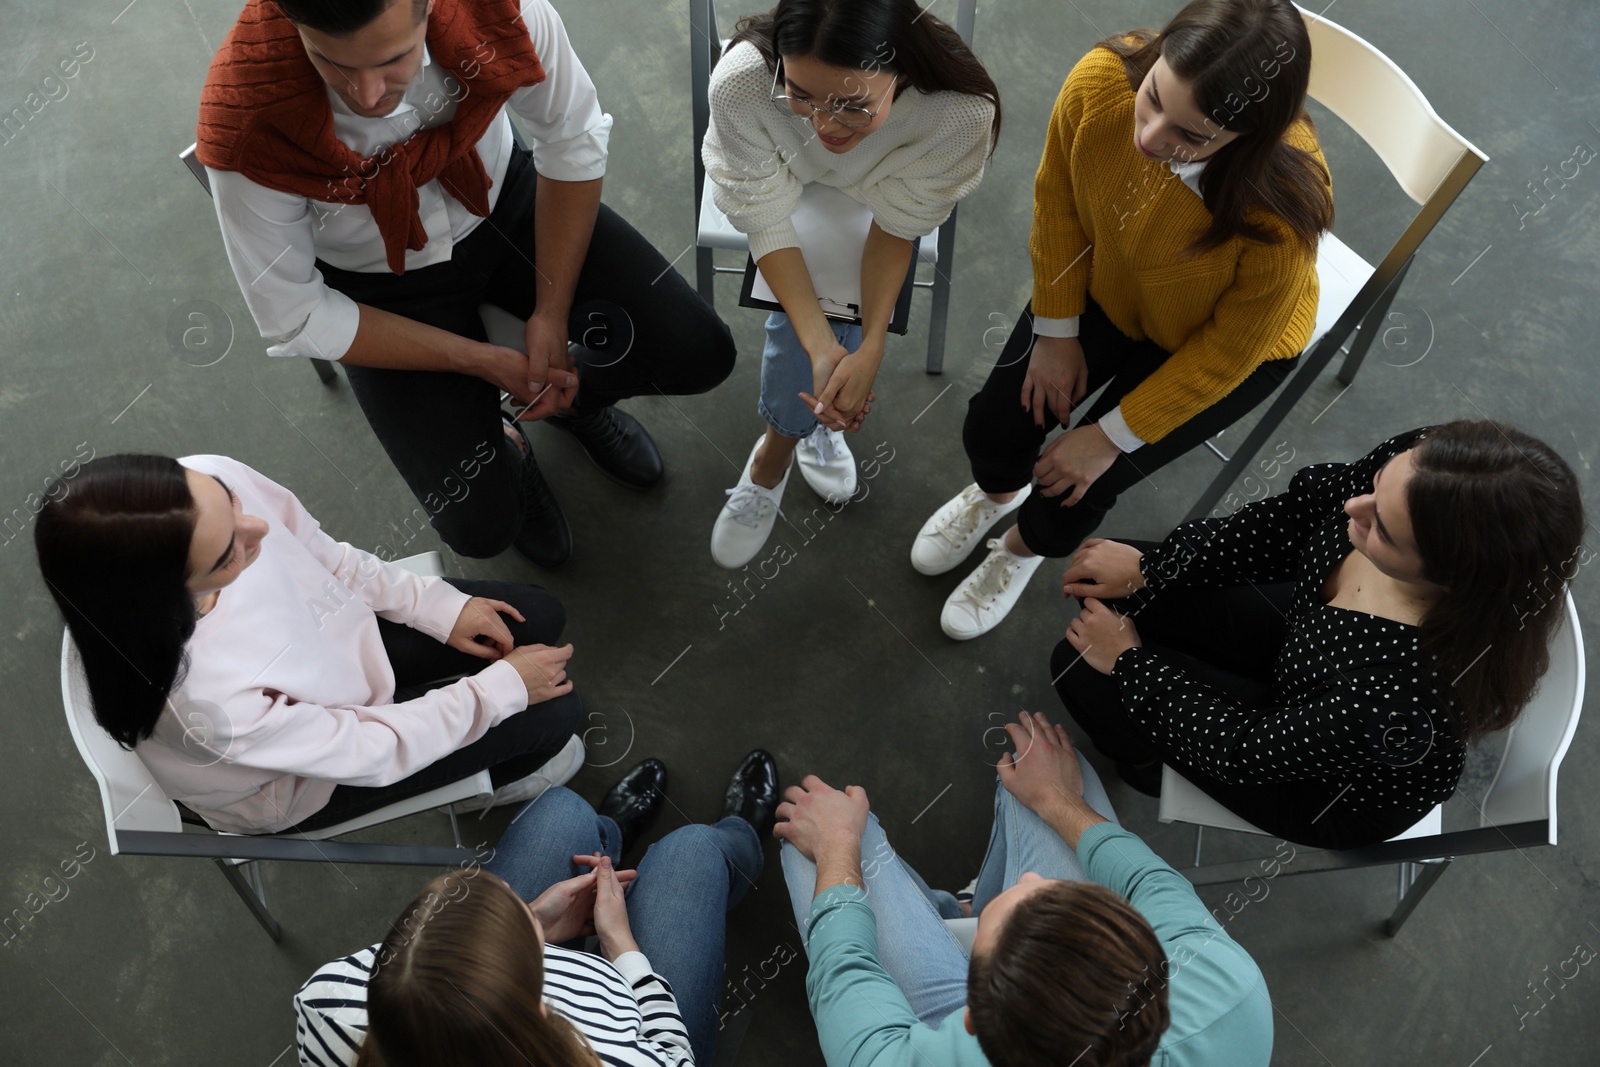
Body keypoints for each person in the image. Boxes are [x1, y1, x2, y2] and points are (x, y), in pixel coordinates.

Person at [195, 0, 737, 570]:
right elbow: (297, 312)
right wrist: (479, 361)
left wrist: (551, 313)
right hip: (378, 285)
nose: (368, 94)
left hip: (510, 204)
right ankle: (515, 447)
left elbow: (569, 137)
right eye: (333, 64)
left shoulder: (502, 10)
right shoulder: (244, 117)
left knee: (698, 353)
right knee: (481, 529)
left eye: (394, 58)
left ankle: (573, 400)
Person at [910, 0, 1333, 639]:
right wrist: (1055, 331)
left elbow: (1227, 352)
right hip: (1112, 287)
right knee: (998, 424)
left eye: (1191, 137)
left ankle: (1020, 550)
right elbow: (1058, 201)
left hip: (1221, 349)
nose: (1150, 137)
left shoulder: (1282, 211)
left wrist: (1108, 435)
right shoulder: (1102, 80)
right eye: (1155, 96)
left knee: (1075, 487)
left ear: (1249, 139)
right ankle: (997, 496)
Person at [1051, 422, 1585, 849]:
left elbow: (1244, 751)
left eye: (1383, 528)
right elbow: (1292, 521)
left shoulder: (1405, 698)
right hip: (1309, 652)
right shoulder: (1425, 468)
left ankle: (1143, 763)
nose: (1355, 508)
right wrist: (1157, 565)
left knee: (1081, 670)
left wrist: (1130, 663)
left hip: (1314, 785)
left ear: (1446, 580)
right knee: (1122, 583)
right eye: (1378, 486)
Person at [35, 453, 581, 834]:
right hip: (301, 783)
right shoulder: (203, 705)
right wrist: (495, 693)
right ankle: (477, 793)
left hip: (335, 647)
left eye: (231, 503)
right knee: (557, 718)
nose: (259, 531)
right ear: (163, 593)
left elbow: (327, 556)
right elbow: (371, 750)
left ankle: (465, 740)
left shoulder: (202, 478)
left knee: (540, 615)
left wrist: (431, 605)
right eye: (229, 554)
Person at [774, 711, 1271, 1067]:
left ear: (972, 1020)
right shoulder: (1226, 990)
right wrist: (1056, 798)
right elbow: (1149, 882)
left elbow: (843, 975)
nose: (1034, 880)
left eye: (1012, 916)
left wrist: (838, 846)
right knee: (1047, 763)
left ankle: (954, 918)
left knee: (808, 851)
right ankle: (968, 913)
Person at [702, 0, 1000, 568]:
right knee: (818, 329)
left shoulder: (957, 112)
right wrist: (825, 346)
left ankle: (778, 448)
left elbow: (898, 226)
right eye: (802, 94)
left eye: (853, 107)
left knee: (838, 320)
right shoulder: (744, 82)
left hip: (881, 191)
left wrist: (872, 345)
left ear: (904, 71)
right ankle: (788, 442)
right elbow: (764, 217)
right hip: (781, 180)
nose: (824, 125)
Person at [293, 751, 780, 1066]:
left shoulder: (330, 1003)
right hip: (641, 1014)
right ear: (539, 1005)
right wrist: (621, 945)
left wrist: (532, 924)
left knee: (560, 811)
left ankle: (607, 834)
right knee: (692, 851)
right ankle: (742, 837)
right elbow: (673, 1055)